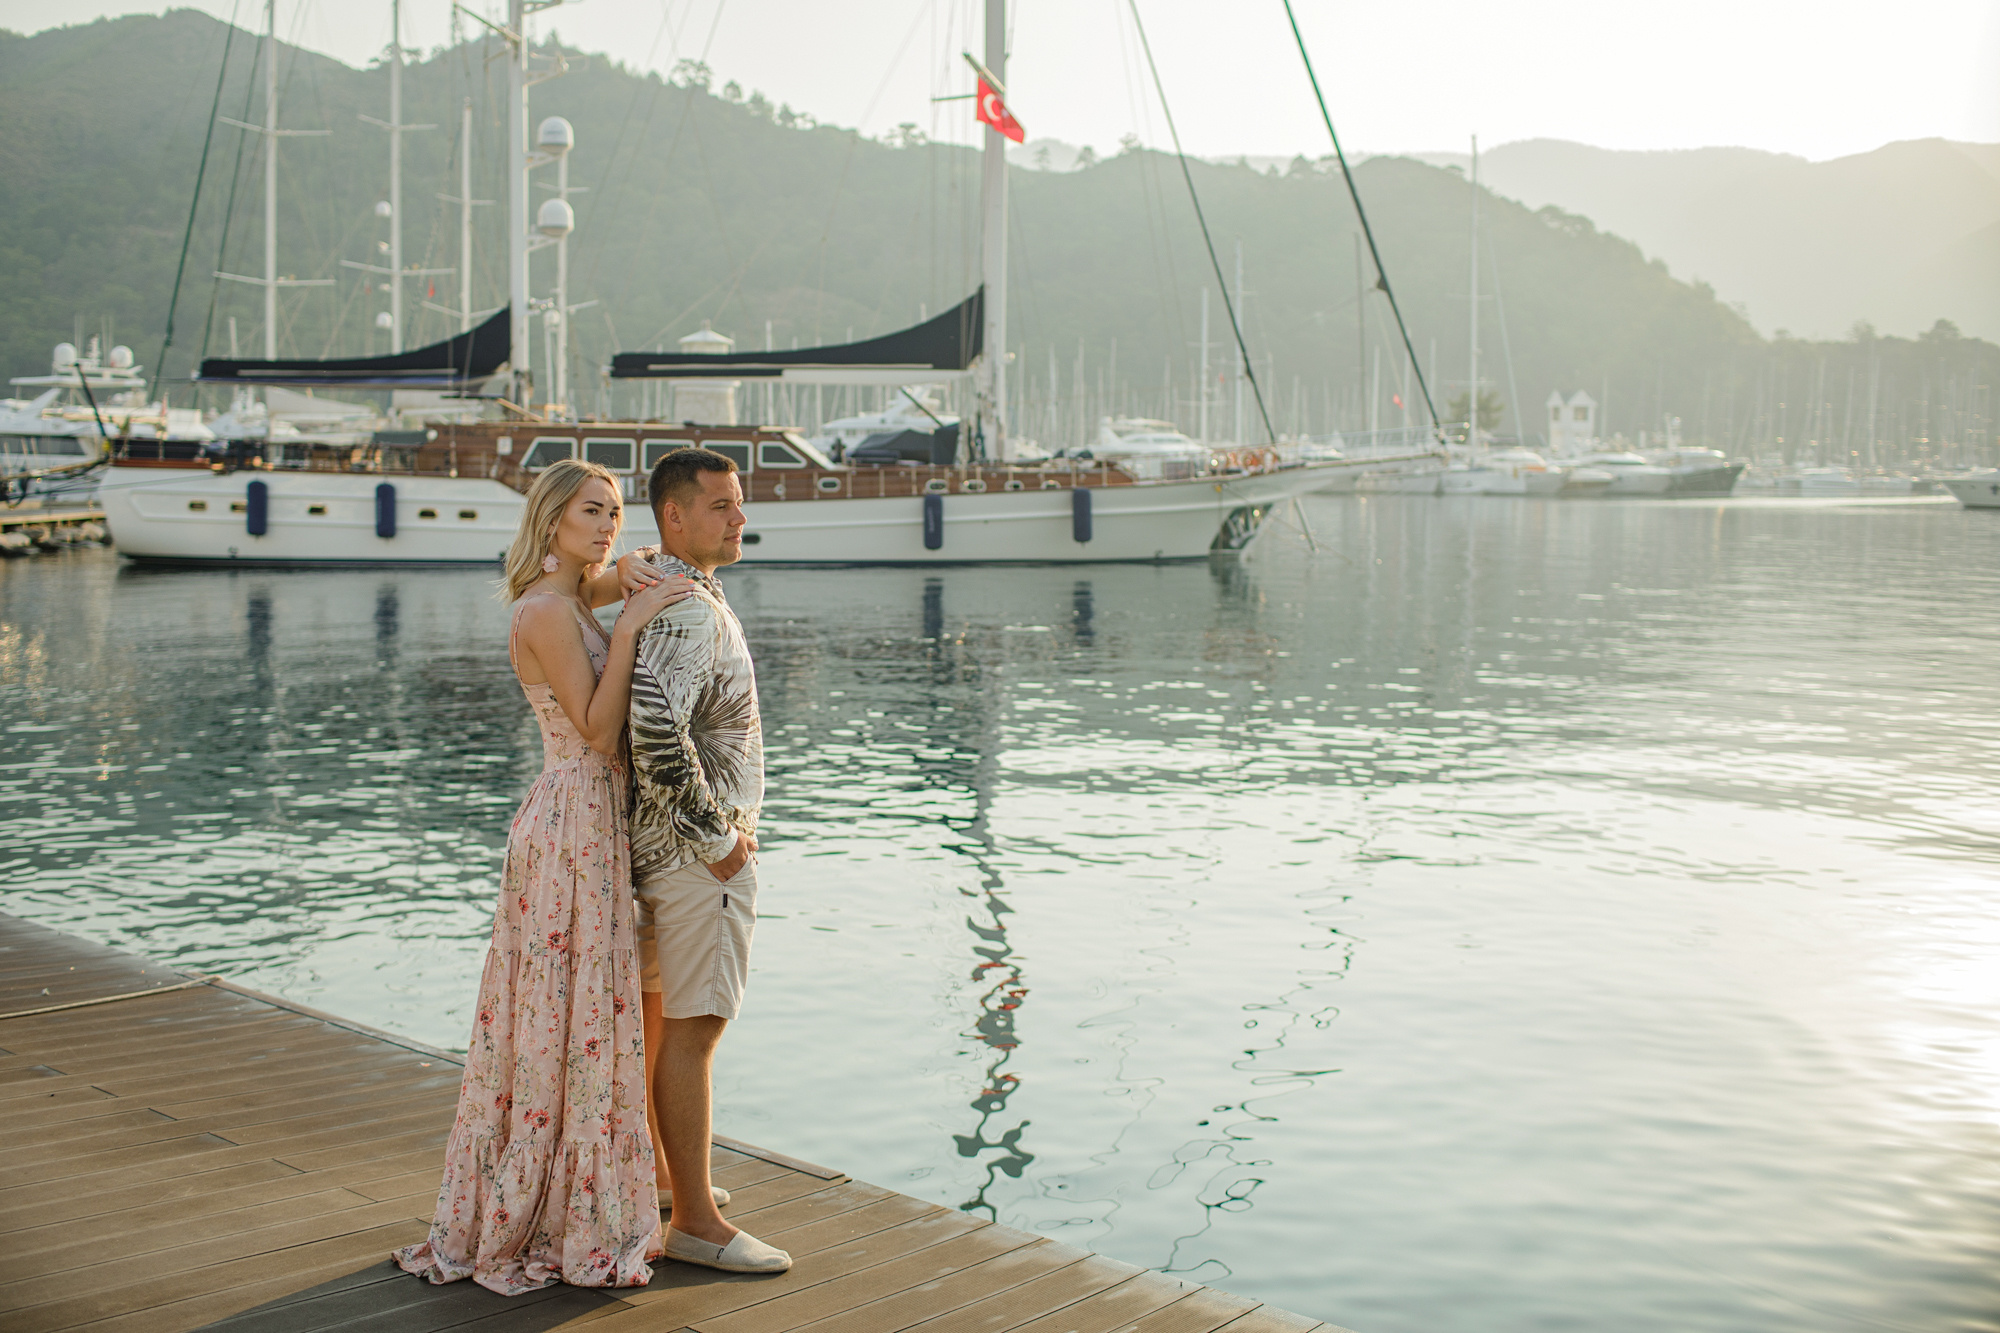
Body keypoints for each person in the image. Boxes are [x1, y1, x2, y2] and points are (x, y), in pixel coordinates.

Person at [395, 459, 693, 1295]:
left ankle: (598, 1187)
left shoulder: (566, 597)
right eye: (593, 512)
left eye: (616, 512)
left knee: (579, 1010)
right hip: (574, 819)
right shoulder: (543, 611)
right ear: (554, 516)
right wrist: (634, 622)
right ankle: (567, 1205)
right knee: (576, 1006)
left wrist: (626, 574)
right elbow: (600, 732)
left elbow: (591, 591)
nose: (607, 525)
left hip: (589, 820)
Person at [624, 447, 791, 1274]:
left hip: (664, 855)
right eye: (722, 504)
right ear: (674, 516)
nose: (740, 517)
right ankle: (693, 1221)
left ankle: (666, 1176)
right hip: (698, 860)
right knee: (696, 1031)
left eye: (739, 502)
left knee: (666, 1025)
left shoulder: (669, 588)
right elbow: (657, 733)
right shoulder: (685, 606)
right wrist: (721, 841)